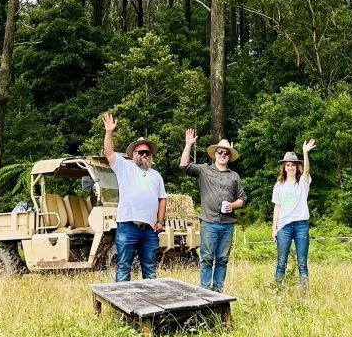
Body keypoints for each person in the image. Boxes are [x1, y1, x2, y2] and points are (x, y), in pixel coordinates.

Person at [179, 129, 247, 291]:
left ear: (229, 156)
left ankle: (218, 291)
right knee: (207, 258)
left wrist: (233, 205)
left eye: (226, 153)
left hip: (228, 224)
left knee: (222, 259)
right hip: (209, 222)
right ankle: (204, 291)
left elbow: (243, 199)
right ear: (214, 154)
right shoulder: (204, 170)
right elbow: (184, 166)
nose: (223, 155)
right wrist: (188, 144)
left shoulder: (234, 176)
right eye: (220, 152)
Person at [102, 112, 166, 282]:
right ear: (133, 154)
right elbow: (109, 153)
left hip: (150, 230)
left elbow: (162, 199)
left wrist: (160, 221)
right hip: (128, 226)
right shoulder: (124, 167)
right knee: (124, 266)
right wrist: (109, 132)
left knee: (150, 269)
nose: (144, 155)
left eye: (147, 152)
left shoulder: (156, 175)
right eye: (141, 152)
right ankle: (121, 305)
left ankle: (151, 306)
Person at [272, 139, 316, 292]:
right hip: (284, 226)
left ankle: (304, 293)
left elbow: (307, 171)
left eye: (293, 165)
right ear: (284, 167)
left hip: (301, 225)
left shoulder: (303, 182)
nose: (290, 168)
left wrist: (305, 153)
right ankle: (279, 291)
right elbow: (277, 207)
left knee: (302, 262)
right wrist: (274, 228)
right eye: (287, 165)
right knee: (281, 261)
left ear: (297, 167)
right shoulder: (279, 185)